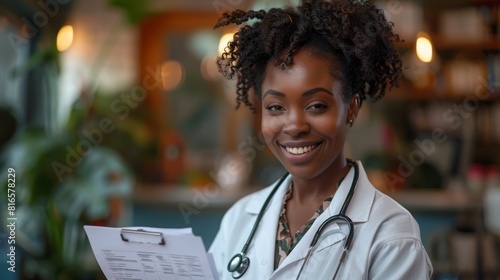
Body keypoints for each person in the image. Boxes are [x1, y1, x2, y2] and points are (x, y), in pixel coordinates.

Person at [209, 0, 433, 279]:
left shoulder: (391, 236)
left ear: (351, 108)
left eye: (316, 105)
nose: (294, 126)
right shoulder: (239, 219)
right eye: (276, 107)